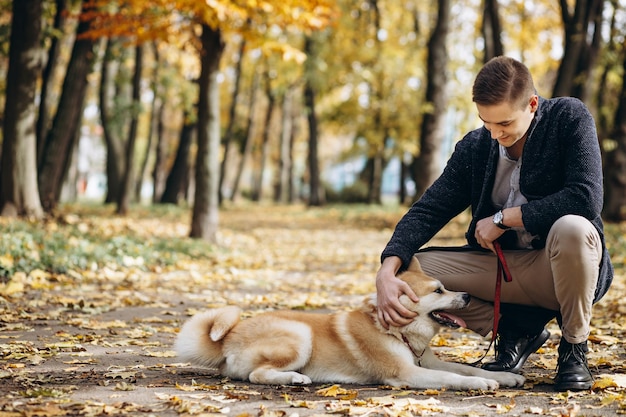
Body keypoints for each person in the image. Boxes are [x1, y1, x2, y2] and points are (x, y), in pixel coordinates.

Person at [376, 56, 613, 392]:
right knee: (412, 270)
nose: (494, 133)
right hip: (505, 270)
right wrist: (387, 269)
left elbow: (586, 198)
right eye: (486, 122)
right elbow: (428, 210)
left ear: (532, 105)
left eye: (504, 124)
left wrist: (505, 218)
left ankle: (574, 348)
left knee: (574, 227)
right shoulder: (476, 146)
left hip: (563, 264)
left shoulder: (567, 118)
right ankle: (515, 330)